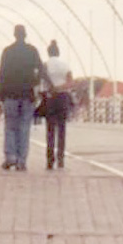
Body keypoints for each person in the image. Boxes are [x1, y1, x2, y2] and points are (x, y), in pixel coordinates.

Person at [0, 24, 42, 171]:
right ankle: (22, 160)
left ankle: (10, 157)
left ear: (14, 35)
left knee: (10, 126)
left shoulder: (7, 52)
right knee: (24, 127)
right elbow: (41, 70)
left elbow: (1, 74)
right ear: (25, 35)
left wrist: (0, 94)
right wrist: (35, 84)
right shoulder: (32, 51)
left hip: (10, 94)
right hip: (27, 94)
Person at [42, 39, 74, 170]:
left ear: (48, 53)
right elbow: (70, 82)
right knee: (62, 129)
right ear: (58, 52)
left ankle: (50, 160)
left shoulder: (45, 65)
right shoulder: (65, 65)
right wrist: (60, 87)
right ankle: (61, 158)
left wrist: (52, 88)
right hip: (63, 97)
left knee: (50, 129)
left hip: (50, 97)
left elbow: (40, 81)